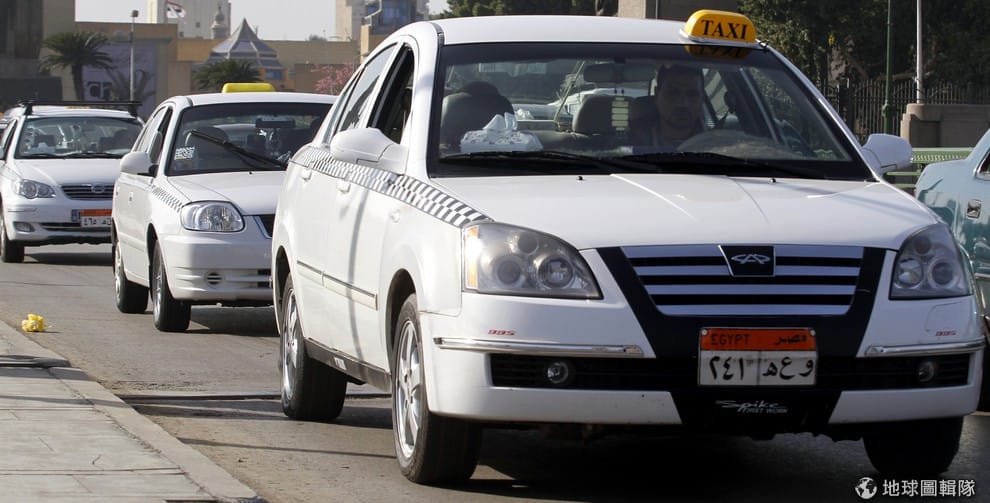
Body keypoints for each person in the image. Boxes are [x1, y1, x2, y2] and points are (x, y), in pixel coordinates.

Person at [629, 64, 705, 148]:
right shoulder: (628, 144)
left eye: (692, 94)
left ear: (702, 98)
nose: (682, 104)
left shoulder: (714, 142)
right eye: (673, 93)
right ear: (657, 95)